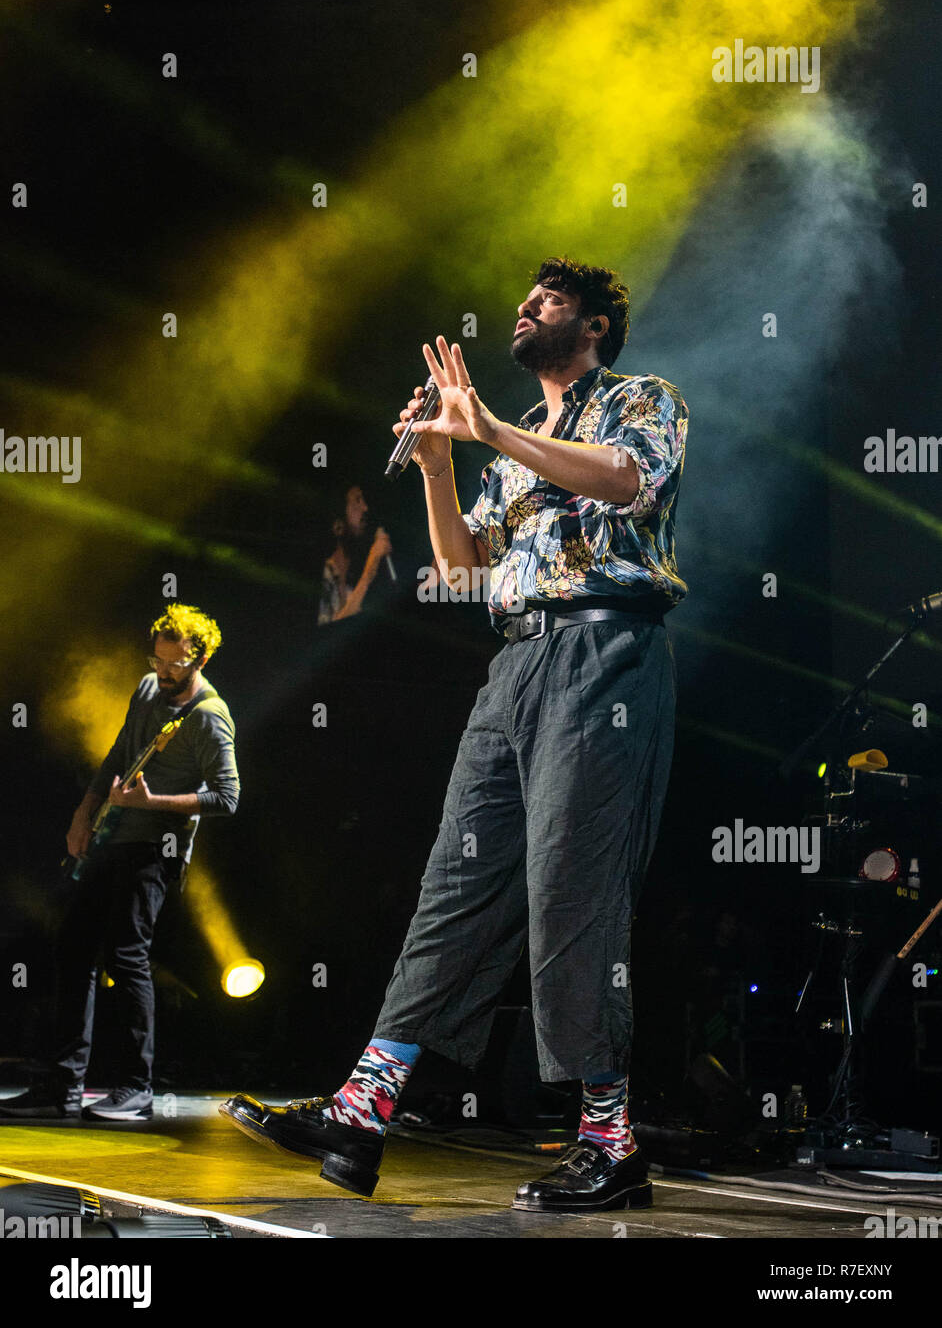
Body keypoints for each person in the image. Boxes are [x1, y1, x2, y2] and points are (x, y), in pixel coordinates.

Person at [221, 256, 688, 1212]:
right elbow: (460, 564)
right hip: (514, 666)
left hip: (604, 659)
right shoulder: (513, 443)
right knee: (454, 888)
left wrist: (488, 430)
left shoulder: (640, 399)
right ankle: (364, 1107)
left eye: (549, 301)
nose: (525, 309)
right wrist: (440, 463)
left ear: (595, 325)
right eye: (525, 300)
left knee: (572, 894)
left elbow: (624, 480)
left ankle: (611, 1139)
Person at [0, 603, 239, 1122]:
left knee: (127, 957)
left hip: (156, 849)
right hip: (111, 835)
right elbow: (117, 753)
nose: (162, 672)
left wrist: (152, 805)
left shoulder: (209, 717)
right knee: (72, 948)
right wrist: (83, 813)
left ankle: (136, 1089)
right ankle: (62, 1085)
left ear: (199, 657)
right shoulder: (148, 689)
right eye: (157, 660)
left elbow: (227, 797)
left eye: (174, 664)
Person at [318, 484, 393, 623]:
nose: (365, 508)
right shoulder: (325, 573)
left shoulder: (350, 577)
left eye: (363, 501)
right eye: (357, 501)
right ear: (337, 525)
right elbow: (328, 632)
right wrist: (371, 567)